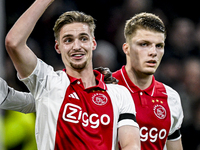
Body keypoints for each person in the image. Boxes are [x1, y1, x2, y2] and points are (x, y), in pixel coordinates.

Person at [5, 0, 140, 150]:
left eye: (83, 38)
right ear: (58, 47)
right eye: (68, 40)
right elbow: (14, 43)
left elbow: (131, 144)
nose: (77, 46)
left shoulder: (119, 93)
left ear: (93, 43)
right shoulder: (46, 81)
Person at [112, 13, 184, 150]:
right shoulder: (105, 88)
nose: (153, 52)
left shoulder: (171, 98)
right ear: (126, 48)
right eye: (144, 44)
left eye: (159, 46)